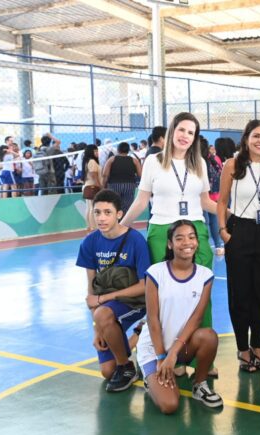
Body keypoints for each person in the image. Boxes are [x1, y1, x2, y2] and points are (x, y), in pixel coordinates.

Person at [120, 112, 218, 374]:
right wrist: (121, 228)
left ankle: (201, 359)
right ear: (172, 131)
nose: (185, 136)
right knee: (164, 295)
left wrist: (234, 216)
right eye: (182, 130)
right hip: (162, 228)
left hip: (196, 228)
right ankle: (168, 354)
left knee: (202, 292)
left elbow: (206, 201)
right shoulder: (153, 161)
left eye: (191, 132)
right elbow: (142, 201)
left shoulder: (199, 164)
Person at [136, 220, 223, 413]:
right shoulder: (155, 273)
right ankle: (149, 379)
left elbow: (196, 319)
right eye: (180, 238)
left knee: (209, 336)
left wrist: (173, 353)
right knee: (170, 405)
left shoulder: (205, 276)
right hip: (154, 348)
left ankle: (199, 384)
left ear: (197, 242)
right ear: (170, 244)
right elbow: (152, 319)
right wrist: (161, 357)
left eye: (192, 237)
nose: (187, 242)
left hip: (180, 347)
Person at [217, 120, 260, 372]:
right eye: (256, 136)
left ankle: (258, 345)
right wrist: (224, 232)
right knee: (240, 293)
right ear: (246, 139)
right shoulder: (232, 165)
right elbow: (221, 202)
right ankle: (243, 348)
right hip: (239, 231)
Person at [76, 189, 150, 392]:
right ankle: (137, 335)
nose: (101, 218)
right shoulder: (90, 242)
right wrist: (96, 328)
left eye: (107, 212)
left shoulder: (135, 240)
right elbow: (92, 290)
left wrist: (103, 300)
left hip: (135, 301)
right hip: (107, 306)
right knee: (108, 372)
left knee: (103, 313)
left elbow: (145, 285)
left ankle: (126, 367)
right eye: (97, 212)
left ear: (119, 214)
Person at [201, 137, 225, 256]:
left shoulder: (198, 161)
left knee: (204, 222)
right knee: (214, 221)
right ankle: (218, 245)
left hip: (203, 197)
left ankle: (204, 246)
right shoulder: (214, 159)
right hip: (215, 195)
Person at [102, 141, 141, 213]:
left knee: (114, 206)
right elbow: (140, 174)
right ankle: (125, 223)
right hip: (129, 185)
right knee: (127, 207)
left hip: (114, 185)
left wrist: (104, 186)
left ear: (118, 150)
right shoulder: (134, 160)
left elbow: (105, 174)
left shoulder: (111, 159)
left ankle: (115, 222)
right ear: (128, 150)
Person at [82, 145, 102, 230]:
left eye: (97, 151)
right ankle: (94, 227)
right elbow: (94, 175)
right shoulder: (92, 162)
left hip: (88, 185)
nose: (97, 153)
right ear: (91, 152)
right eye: (95, 151)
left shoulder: (87, 161)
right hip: (93, 186)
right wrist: (100, 187)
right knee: (93, 208)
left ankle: (90, 226)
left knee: (89, 207)